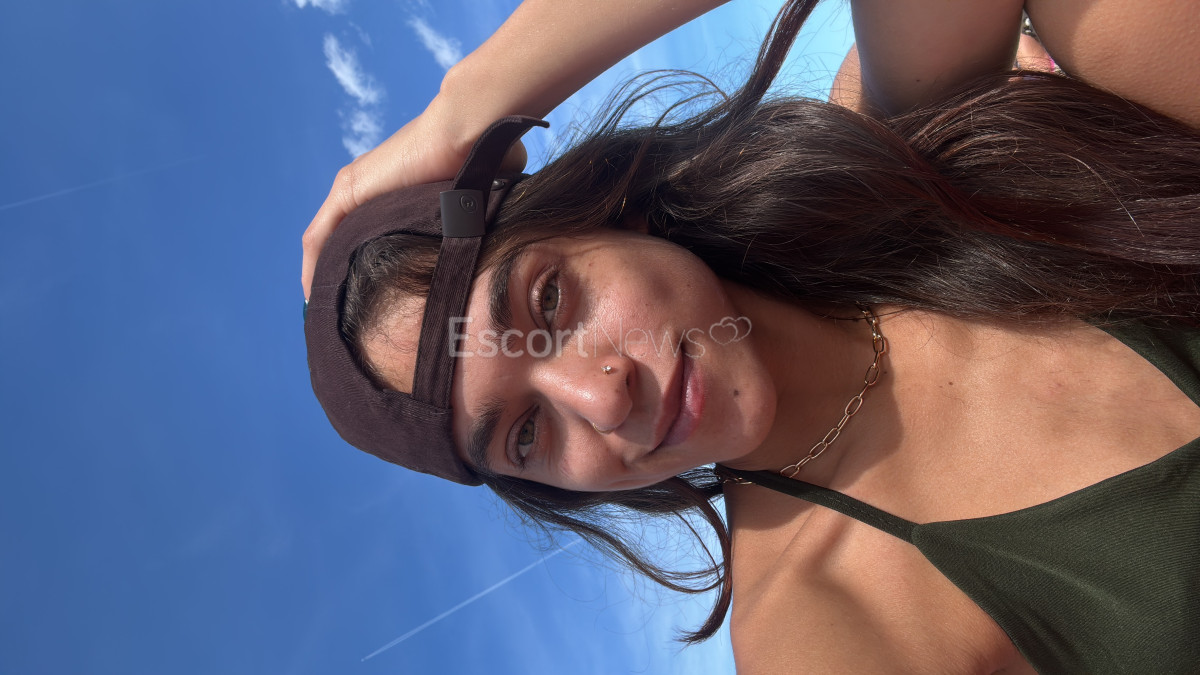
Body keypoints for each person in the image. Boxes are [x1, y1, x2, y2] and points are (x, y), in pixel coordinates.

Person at [303, 0, 1200, 672]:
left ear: (603, 214)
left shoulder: (910, 158)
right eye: (526, 433)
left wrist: (467, 109)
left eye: (548, 303)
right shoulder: (824, 618)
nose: (600, 397)